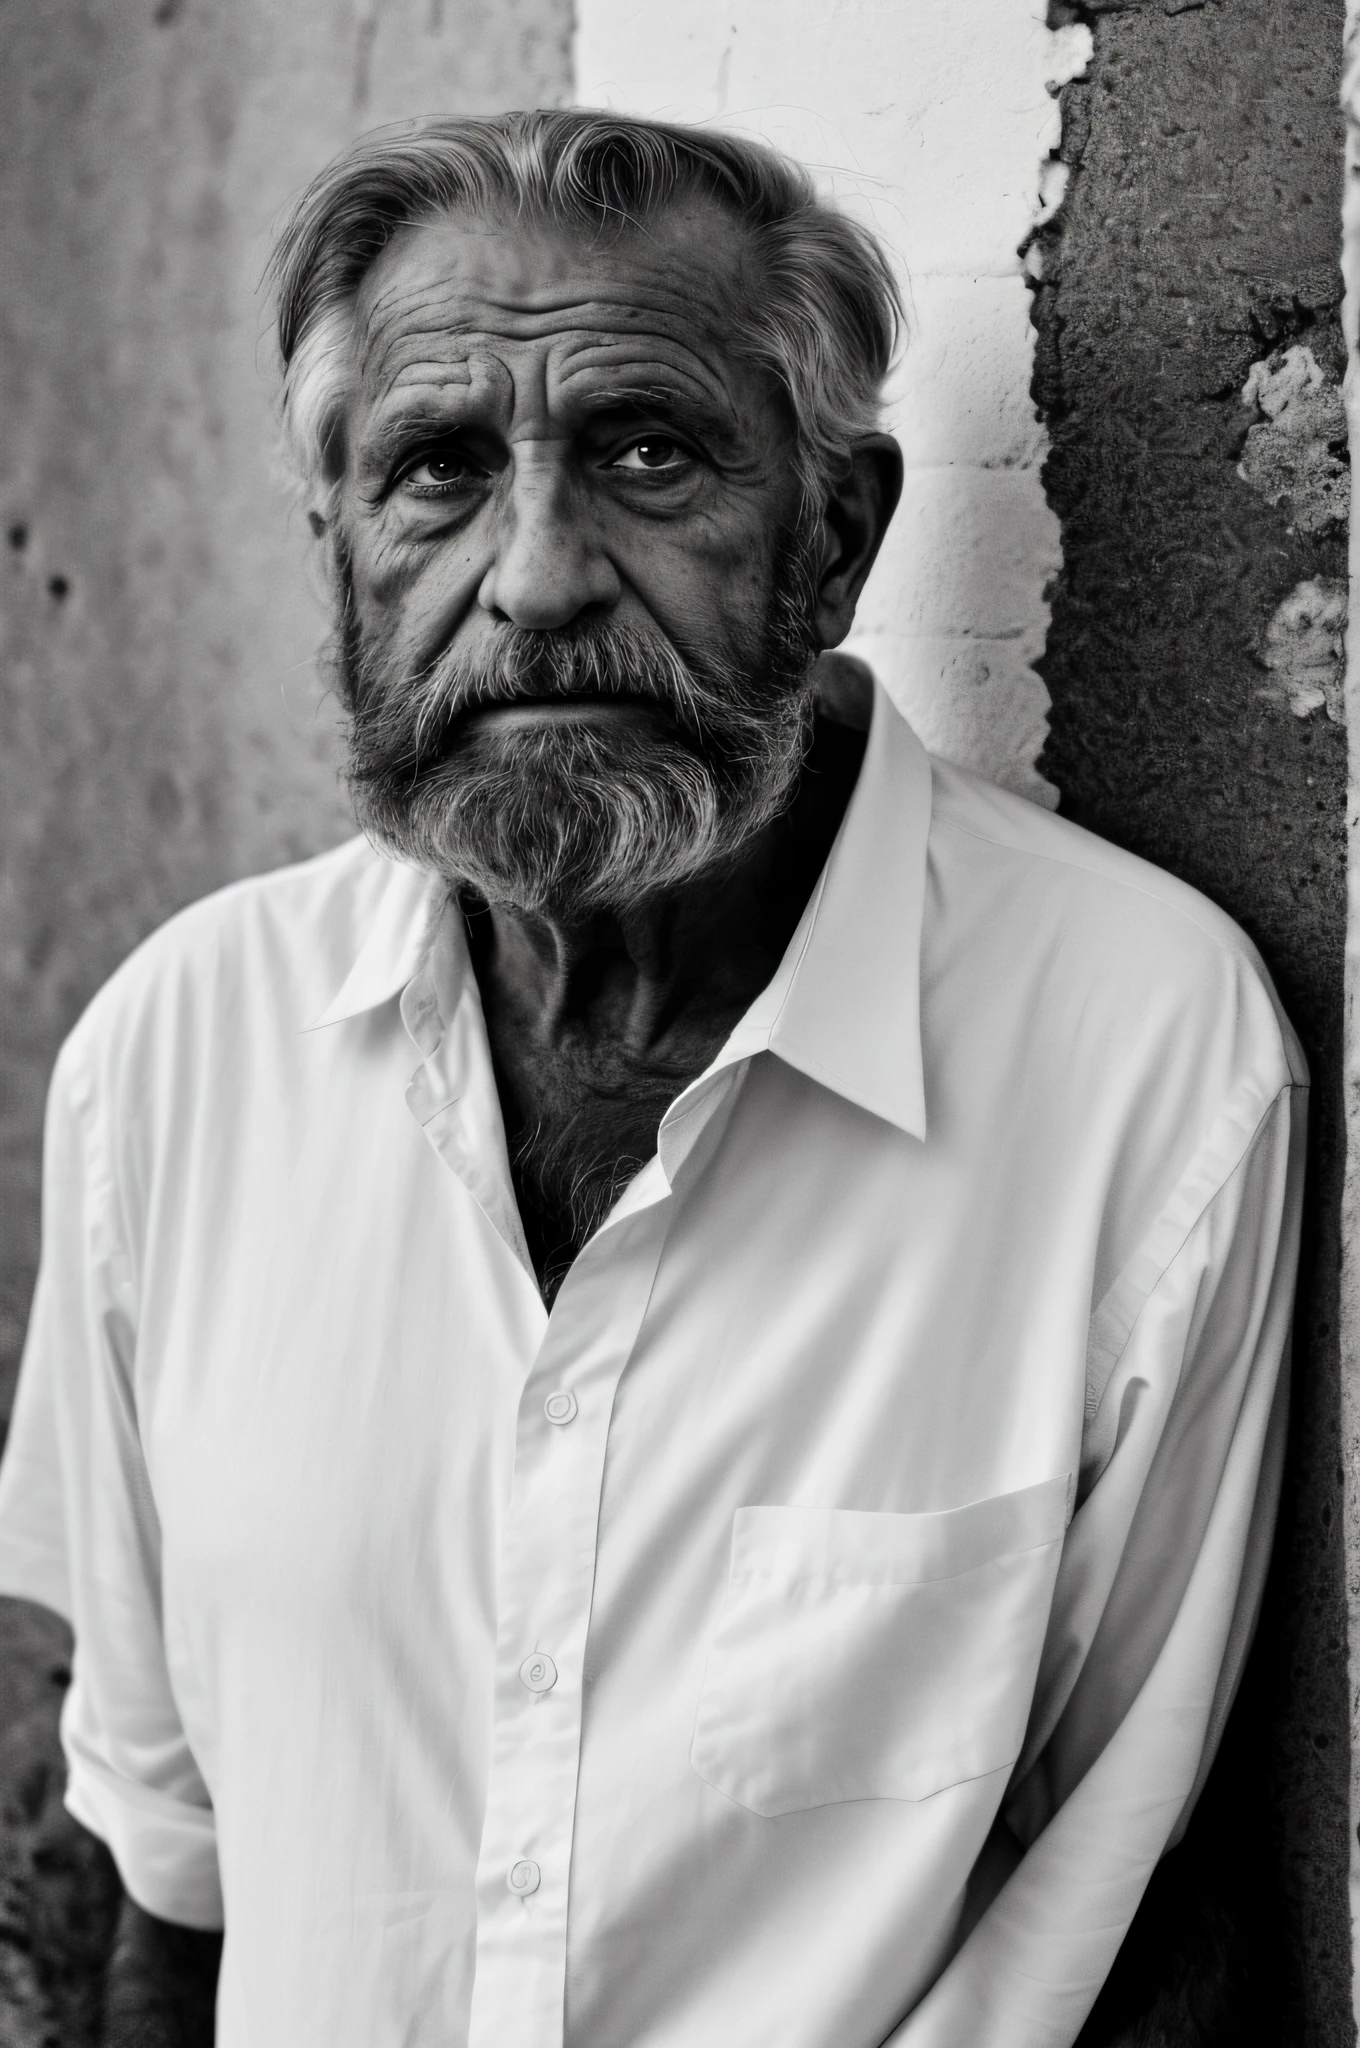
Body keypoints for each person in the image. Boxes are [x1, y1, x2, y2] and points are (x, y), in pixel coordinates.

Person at [0, 110, 1305, 2048]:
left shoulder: (1133, 1047)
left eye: (644, 450)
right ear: (339, 549)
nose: (532, 580)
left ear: (834, 534)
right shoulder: (177, 1057)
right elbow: (159, 1868)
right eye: (439, 469)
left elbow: (1136, 1914)